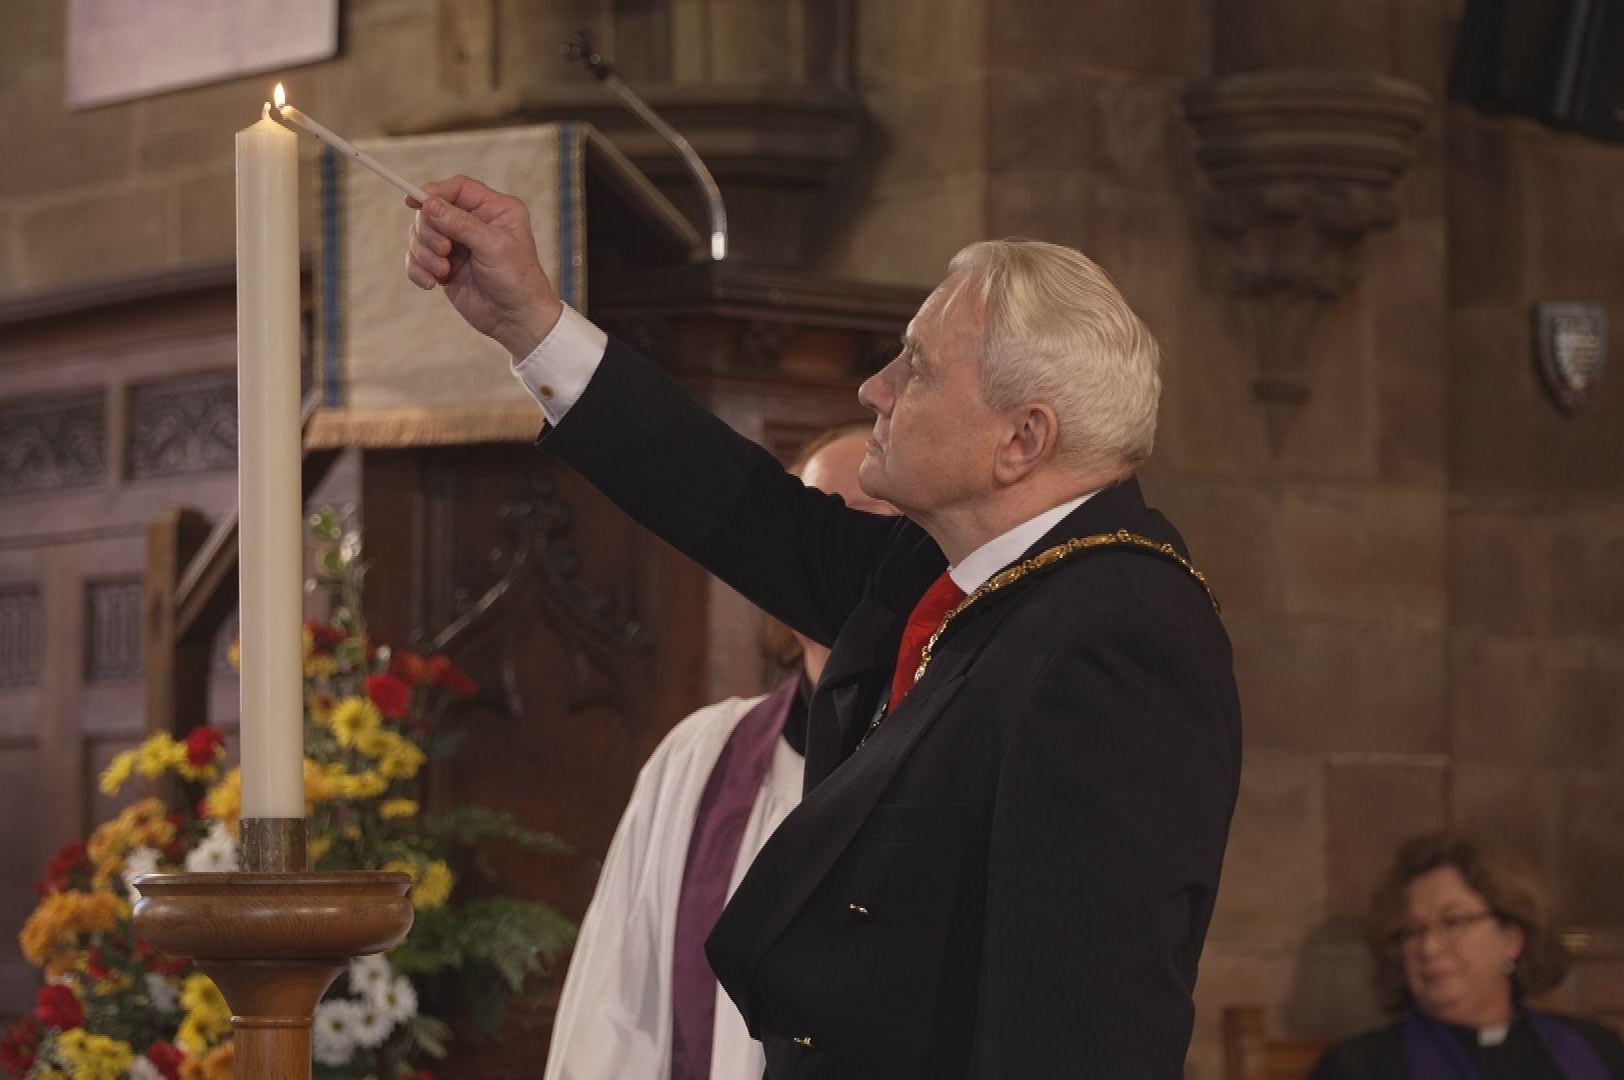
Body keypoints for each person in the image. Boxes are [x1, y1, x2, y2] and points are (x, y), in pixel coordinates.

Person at [403, 176, 1241, 1077]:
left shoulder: (1120, 635)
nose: (873, 388)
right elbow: (736, 504)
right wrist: (531, 319)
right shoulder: (949, 568)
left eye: (916, 366)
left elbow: (1082, 1032)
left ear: (1022, 440)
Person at [544, 425, 897, 1080]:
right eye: (821, 526)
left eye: (873, 528)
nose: (838, 557)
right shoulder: (702, 760)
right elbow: (617, 1013)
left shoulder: (952, 752)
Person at [1312, 833, 1624, 1080]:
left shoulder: (1596, 1048)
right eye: (1412, 931)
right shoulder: (1357, 1069)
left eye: (1453, 922)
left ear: (1510, 940)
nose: (1428, 948)